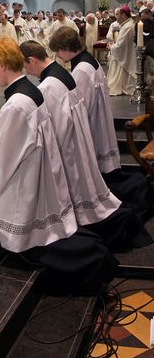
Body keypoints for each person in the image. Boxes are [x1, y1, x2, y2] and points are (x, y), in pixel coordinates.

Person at [0, 39, 117, 294]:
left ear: (2, 65)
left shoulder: (17, 104)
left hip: (26, 181)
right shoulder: (31, 91)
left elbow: (2, 156)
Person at [19, 41, 140, 251]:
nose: (25, 71)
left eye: (25, 66)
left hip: (67, 148)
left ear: (32, 60)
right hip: (77, 140)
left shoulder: (48, 86)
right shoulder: (60, 73)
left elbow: (53, 125)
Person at [51, 27, 153, 220]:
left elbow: (81, 106)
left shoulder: (80, 70)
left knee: (98, 173)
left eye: (58, 49)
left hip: (91, 124)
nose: (57, 54)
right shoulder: (90, 61)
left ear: (65, 47)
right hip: (100, 119)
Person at [107, 6, 137, 96]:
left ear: (123, 15)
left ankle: (121, 86)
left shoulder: (128, 26)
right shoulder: (126, 25)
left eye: (117, 14)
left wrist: (111, 46)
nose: (116, 17)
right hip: (124, 52)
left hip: (125, 53)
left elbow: (120, 45)